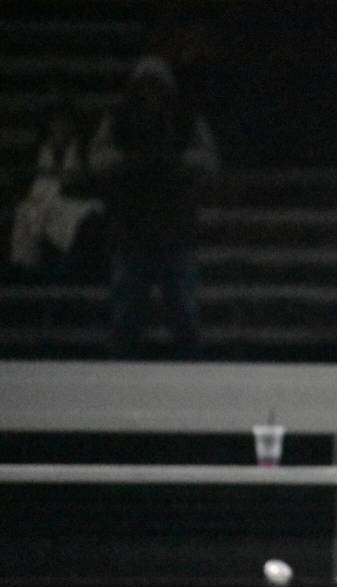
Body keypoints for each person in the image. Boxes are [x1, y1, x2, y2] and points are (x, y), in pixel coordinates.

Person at [88, 55, 220, 359]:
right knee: (127, 313)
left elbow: (210, 160)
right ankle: (122, 369)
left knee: (184, 311)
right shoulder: (118, 119)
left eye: (156, 86)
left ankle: (191, 368)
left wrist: (177, 161)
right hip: (131, 227)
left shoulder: (186, 119)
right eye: (144, 86)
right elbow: (97, 159)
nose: (150, 93)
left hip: (175, 228)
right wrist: (129, 161)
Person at [10, 98, 105, 282]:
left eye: (65, 122)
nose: (61, 127)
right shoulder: (37, 151)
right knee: (26, 212)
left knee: (84, 216)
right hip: (43, 201)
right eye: (56, 122)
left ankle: (69, 268)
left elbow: (92, 182)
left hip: (76, 201)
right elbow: (28, 182)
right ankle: (27, 268)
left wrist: (71, 184)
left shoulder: (84, 149)